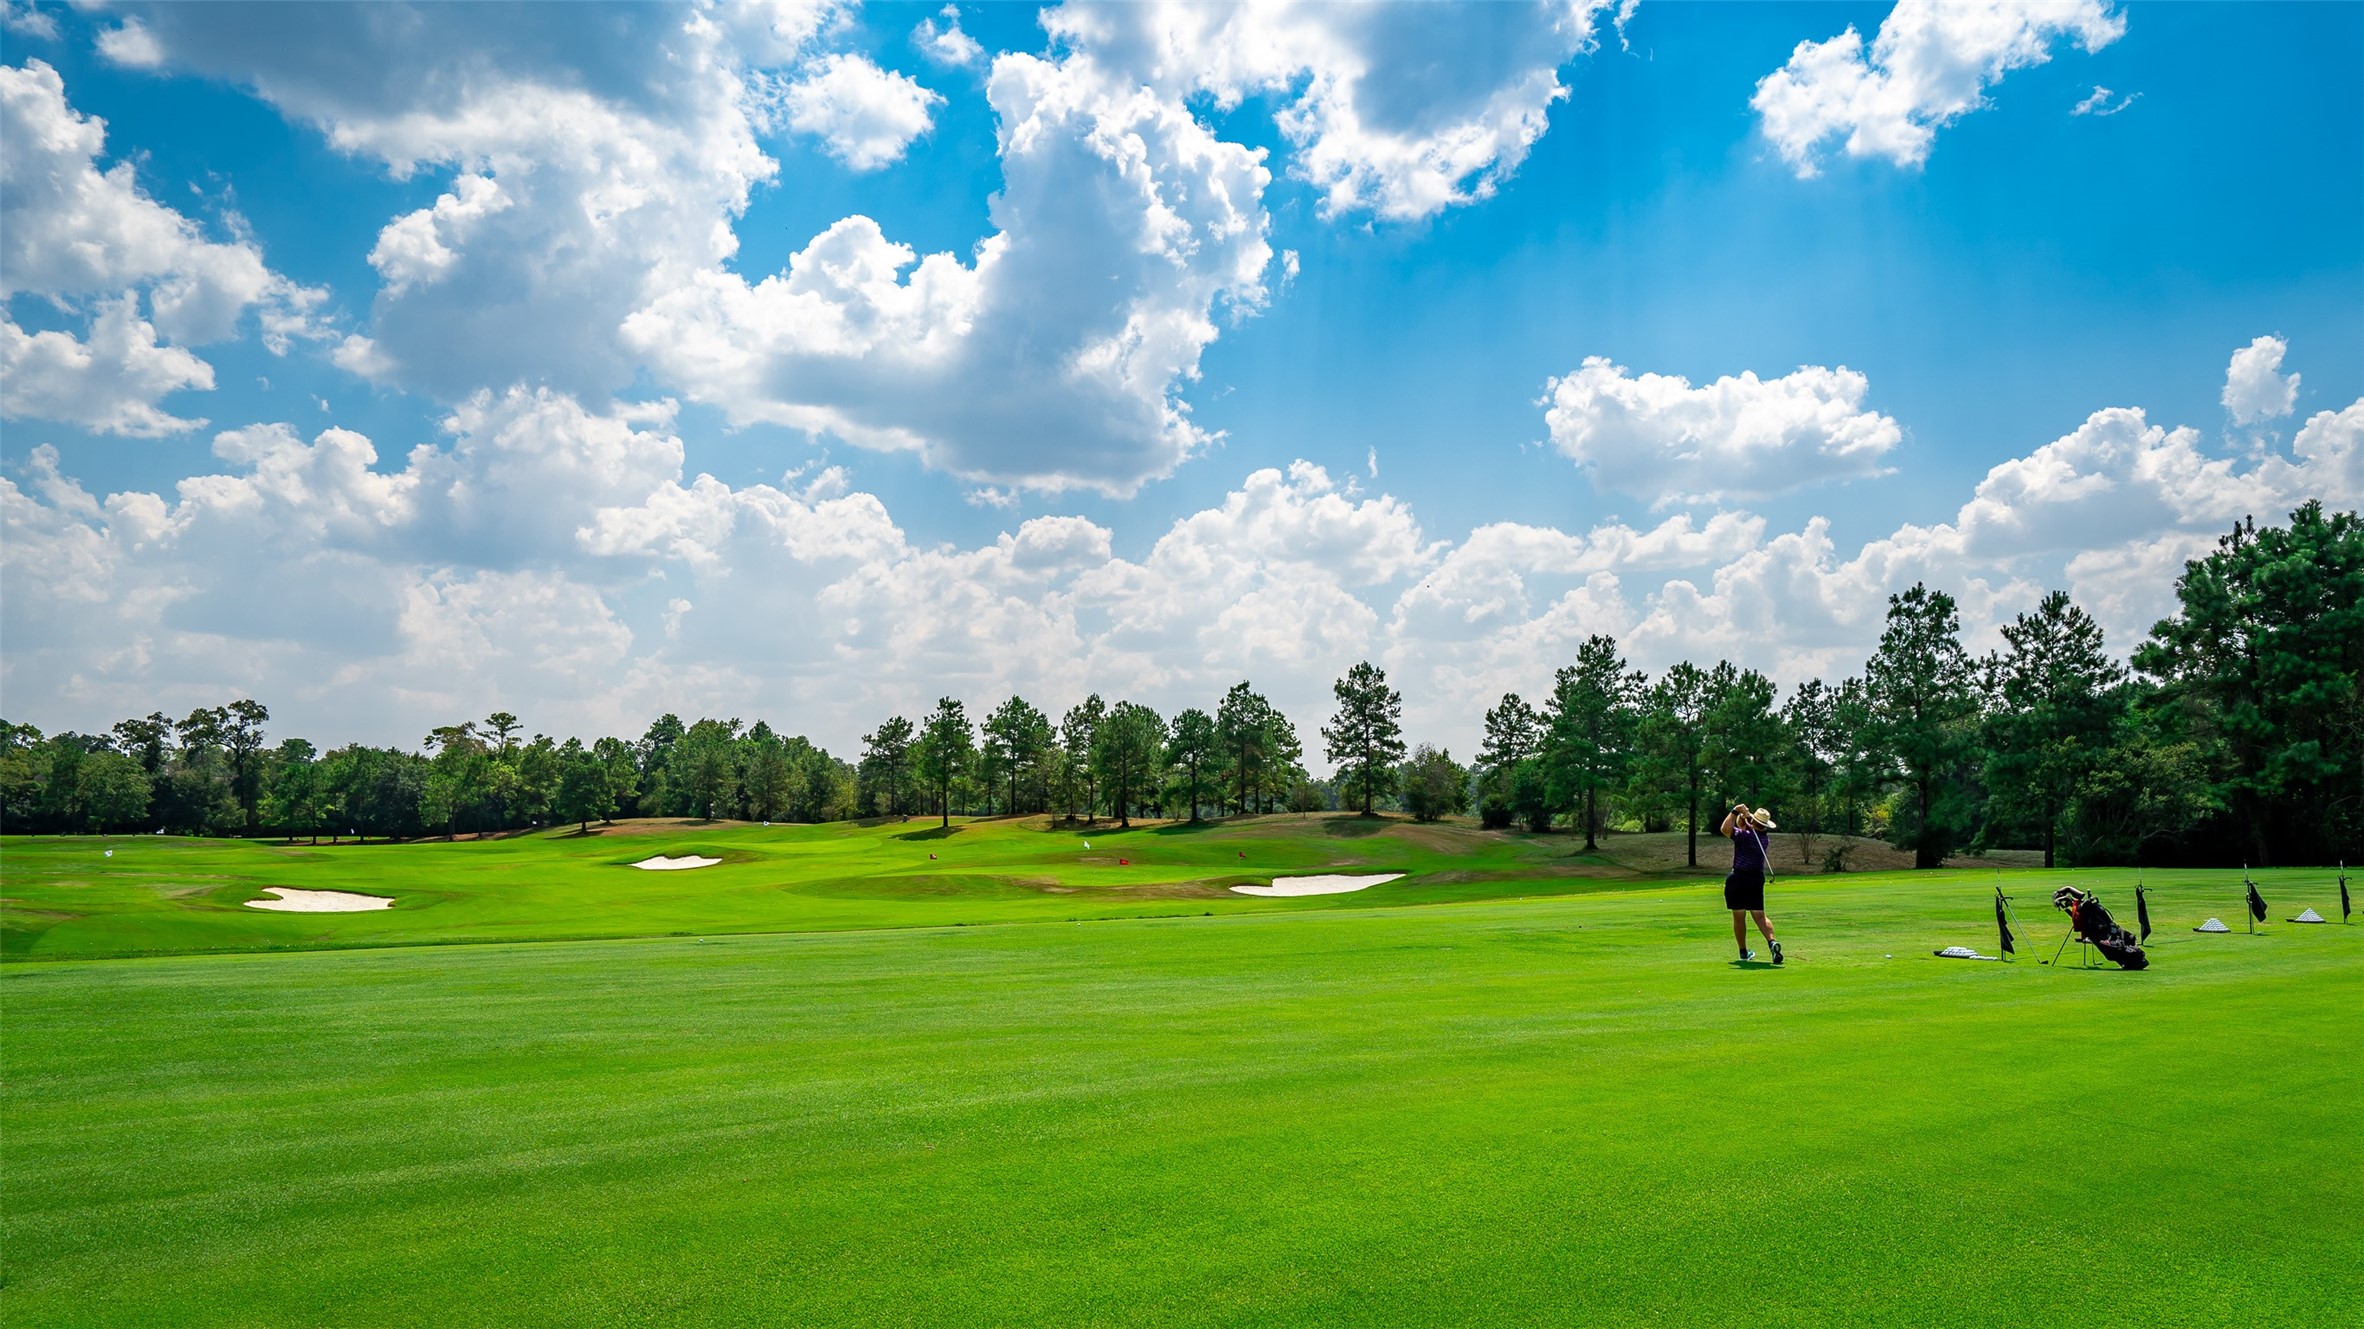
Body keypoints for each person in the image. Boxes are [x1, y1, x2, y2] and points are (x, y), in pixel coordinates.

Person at [1719, 802, 1782, 964]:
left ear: (1754, 822)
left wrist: (1735, 811)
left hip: (1738, 878)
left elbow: (1725, 829)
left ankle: (1743, 952)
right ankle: (1772, 942)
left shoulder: (1744, 837)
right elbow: (1744, 826)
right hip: (1755, 879)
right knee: (1760, 916)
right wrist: (1746, 817)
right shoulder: (1763, 838)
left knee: (1739, 917)